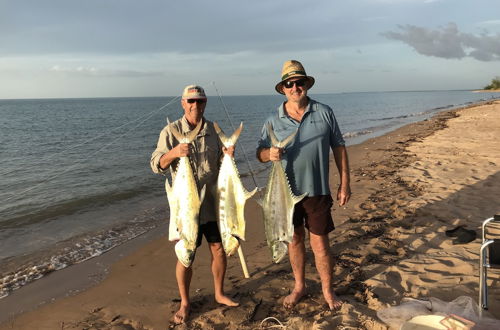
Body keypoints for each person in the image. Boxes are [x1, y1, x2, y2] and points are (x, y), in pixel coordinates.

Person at [256, 60, 351, 310]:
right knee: (294, 240)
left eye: (299, 82)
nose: (295, 87)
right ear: (283, 88)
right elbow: (259, 153)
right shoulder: (271, 121)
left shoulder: (324, 112)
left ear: (306, 85)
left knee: (320, 244)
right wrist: (269, 155)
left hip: (317, 191)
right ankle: (300, 286)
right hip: (285, 195)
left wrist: (345, 183)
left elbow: (339, 147)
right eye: (290, 83)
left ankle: (328, 291)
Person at [150, 85, 239, 324]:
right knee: (186, 254)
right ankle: (185, 302)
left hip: (212, 202)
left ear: (205, 103)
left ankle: (219, 293)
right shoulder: (170, 131)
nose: (195, 106)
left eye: (200, 101)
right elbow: (156, 164)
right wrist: (174, 153)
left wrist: (229, 154)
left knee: (218, 249)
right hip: (185, 206)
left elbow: (222, 165)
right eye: (191, 101)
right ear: (182, 102)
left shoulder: (214, 130)